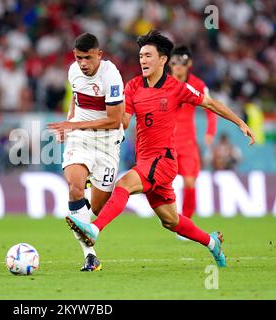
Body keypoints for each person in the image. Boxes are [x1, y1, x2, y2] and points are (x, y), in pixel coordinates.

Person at [66, 30, 255, 268]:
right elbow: (123, 121)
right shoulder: (133, 86)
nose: (142, 60)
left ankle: (93, 229)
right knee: (171, 221)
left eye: (148, 55)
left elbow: (210, 103)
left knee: (123, 185)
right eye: (141, 55)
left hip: (163, 160)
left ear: (163, 60)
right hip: (145, 161)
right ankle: (212, 242)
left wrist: (240, 123)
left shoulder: (177, 88)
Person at [48, 33, 124, 271]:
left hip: (107, 142)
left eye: (88, 58)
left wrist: (74, 124)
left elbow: (114, 120)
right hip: (81, 139)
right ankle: (90, 255)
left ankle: (87, 199)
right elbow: (76, 100)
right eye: (79, 58)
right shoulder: (73, 71)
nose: (83, 63)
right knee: (74, 187)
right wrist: (69, 122)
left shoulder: (111, 76)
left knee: (100, 209)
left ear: (99, 55)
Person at [169, 46, 217, 237]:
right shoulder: (162, 83)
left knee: (189, 182)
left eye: (181, 63)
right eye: (174, 63)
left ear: (189, 64)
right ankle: (168, 216)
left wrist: (210, 132)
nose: (177, 67)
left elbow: (211, 108)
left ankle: (185, 224)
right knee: (160, 183)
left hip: (188, 143)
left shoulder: (198, 84)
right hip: (166, 142)